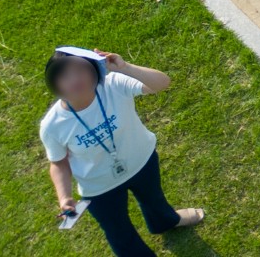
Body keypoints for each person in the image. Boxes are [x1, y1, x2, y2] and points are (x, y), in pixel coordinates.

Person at [40, 48, 204, 257]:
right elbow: (58, 163)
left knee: (154, 199)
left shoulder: (113, 84)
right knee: (119, 233)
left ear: (95, 69)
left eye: (81, 69)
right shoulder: (52, 125)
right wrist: (64, 197)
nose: (75, 79)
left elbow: (162, 83)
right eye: (64, 75)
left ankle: (164, 221)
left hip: (142, 162)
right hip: (99, 187)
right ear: (54, 83)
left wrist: (125, 67)